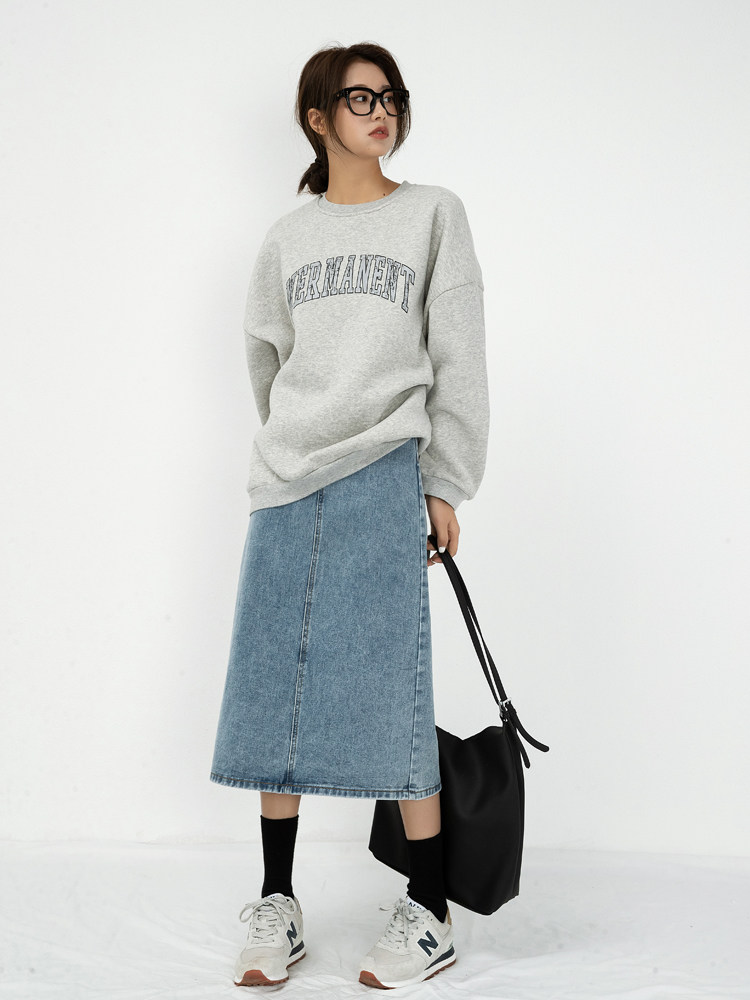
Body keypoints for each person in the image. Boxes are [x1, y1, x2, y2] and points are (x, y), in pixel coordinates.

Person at [209, 40, 490, 990]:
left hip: (383, 472)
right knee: (273, 688)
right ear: (318, 118)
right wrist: (292, 444)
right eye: (360, 98)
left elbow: (460, 355)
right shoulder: (288, 238)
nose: (382, 111)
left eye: (391, 96)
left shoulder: (433, 214)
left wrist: (444, 480)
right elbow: (265, 359)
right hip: (288, 480)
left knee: (391, 690)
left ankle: (430, 909)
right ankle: (276, 901)